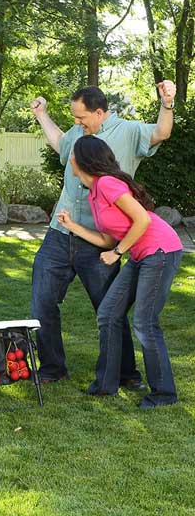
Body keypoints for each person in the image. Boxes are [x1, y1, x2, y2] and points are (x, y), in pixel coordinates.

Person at [30, 81, 176, 384]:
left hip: (100, 241)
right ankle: (52, 368)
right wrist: (42, 115)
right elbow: (60, 142)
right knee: (42, 302)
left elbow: (161, 133)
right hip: (60, 234)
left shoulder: (128, 131)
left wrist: (167, 102)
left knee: (110, 308)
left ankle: (125, 372)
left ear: (99, 112)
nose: (76, 123)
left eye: (81, 117)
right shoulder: (79, 134)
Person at [57, 135, 182, 408]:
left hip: (161, 251)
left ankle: (164, 394)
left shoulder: (108, 184)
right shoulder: (94, 192)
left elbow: (143, 219)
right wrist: (72, 226)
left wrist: (117, 253)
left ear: (79, 160)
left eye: (72, 155)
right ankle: (105, 385)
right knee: (108, 314)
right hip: (141, 254)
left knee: (145, 323)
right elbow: (107, 240)